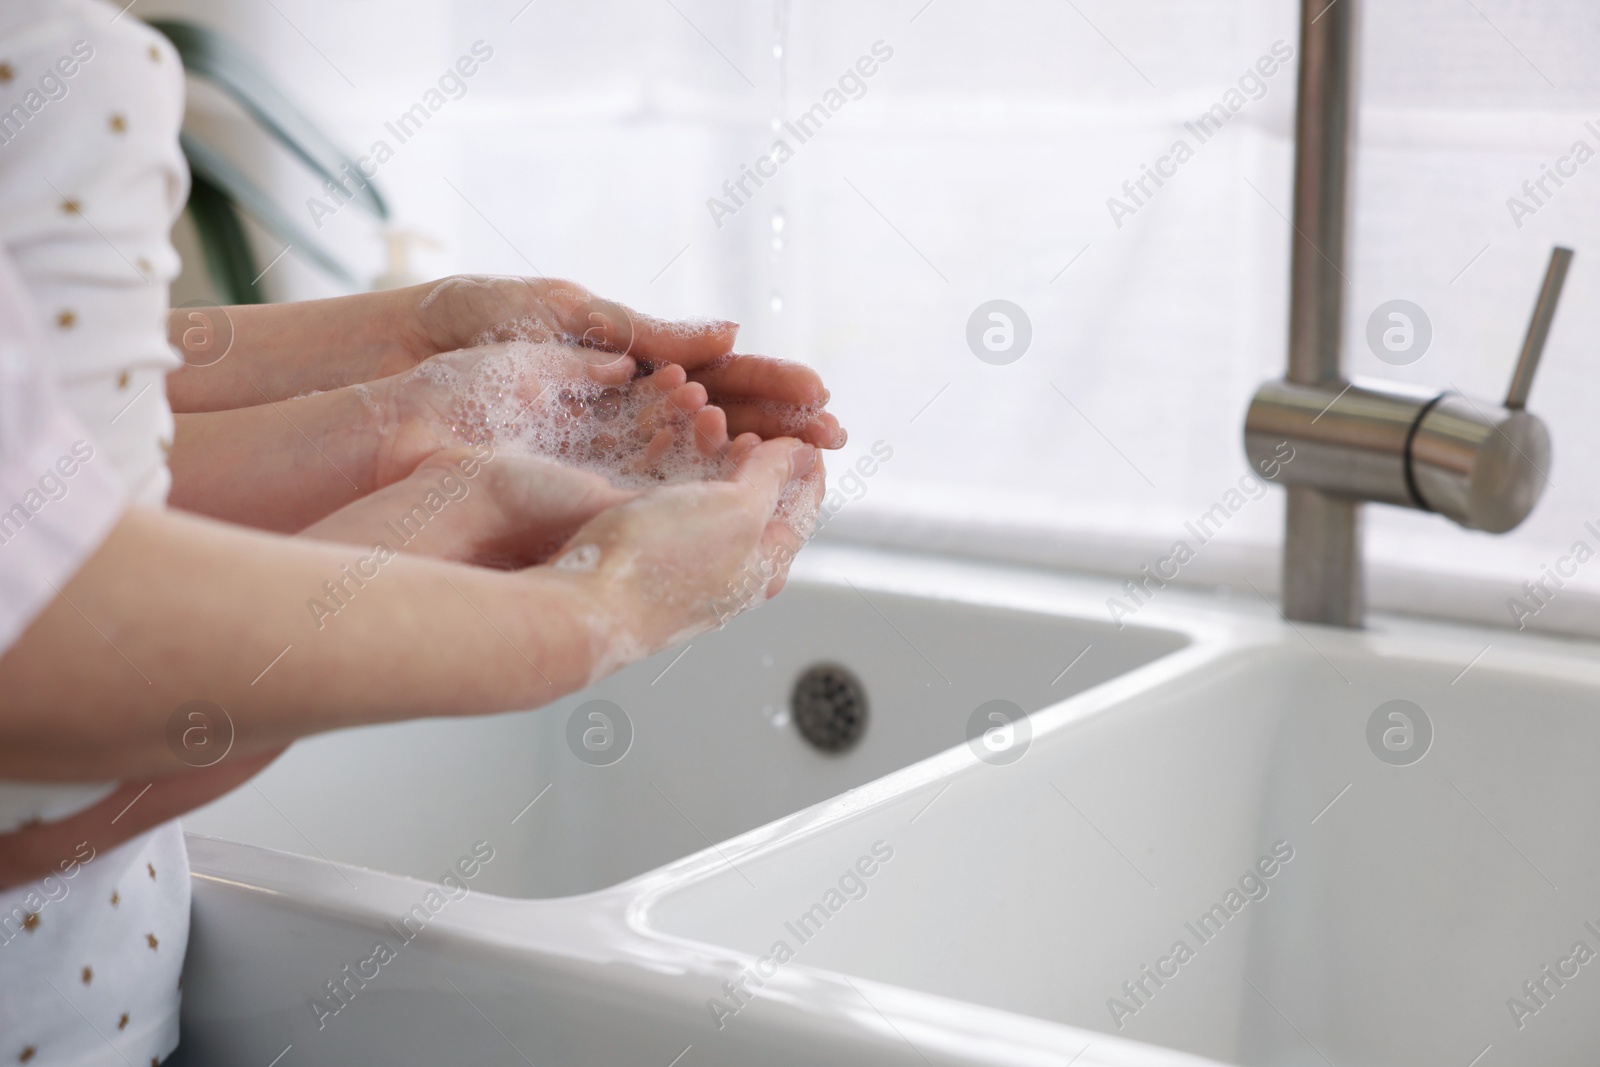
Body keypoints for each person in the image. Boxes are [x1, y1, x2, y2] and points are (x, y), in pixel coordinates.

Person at [0, 2, 839, 1063]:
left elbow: (51, 468)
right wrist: (587, 604)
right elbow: (52, 747)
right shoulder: (52, 62)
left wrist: (400, 393)